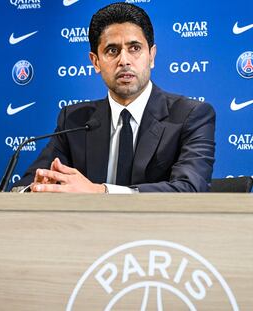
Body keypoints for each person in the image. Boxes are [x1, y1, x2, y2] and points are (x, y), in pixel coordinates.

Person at [12, 2, 215, 193]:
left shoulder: (190, 115)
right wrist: (37, 188)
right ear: (95, 62)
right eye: (112, 51)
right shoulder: (74, 120)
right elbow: (27, 183)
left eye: (135, 48)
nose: (124, 60)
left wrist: (101, 192)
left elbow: (189, 189)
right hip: (86, 229)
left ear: (152, 56)